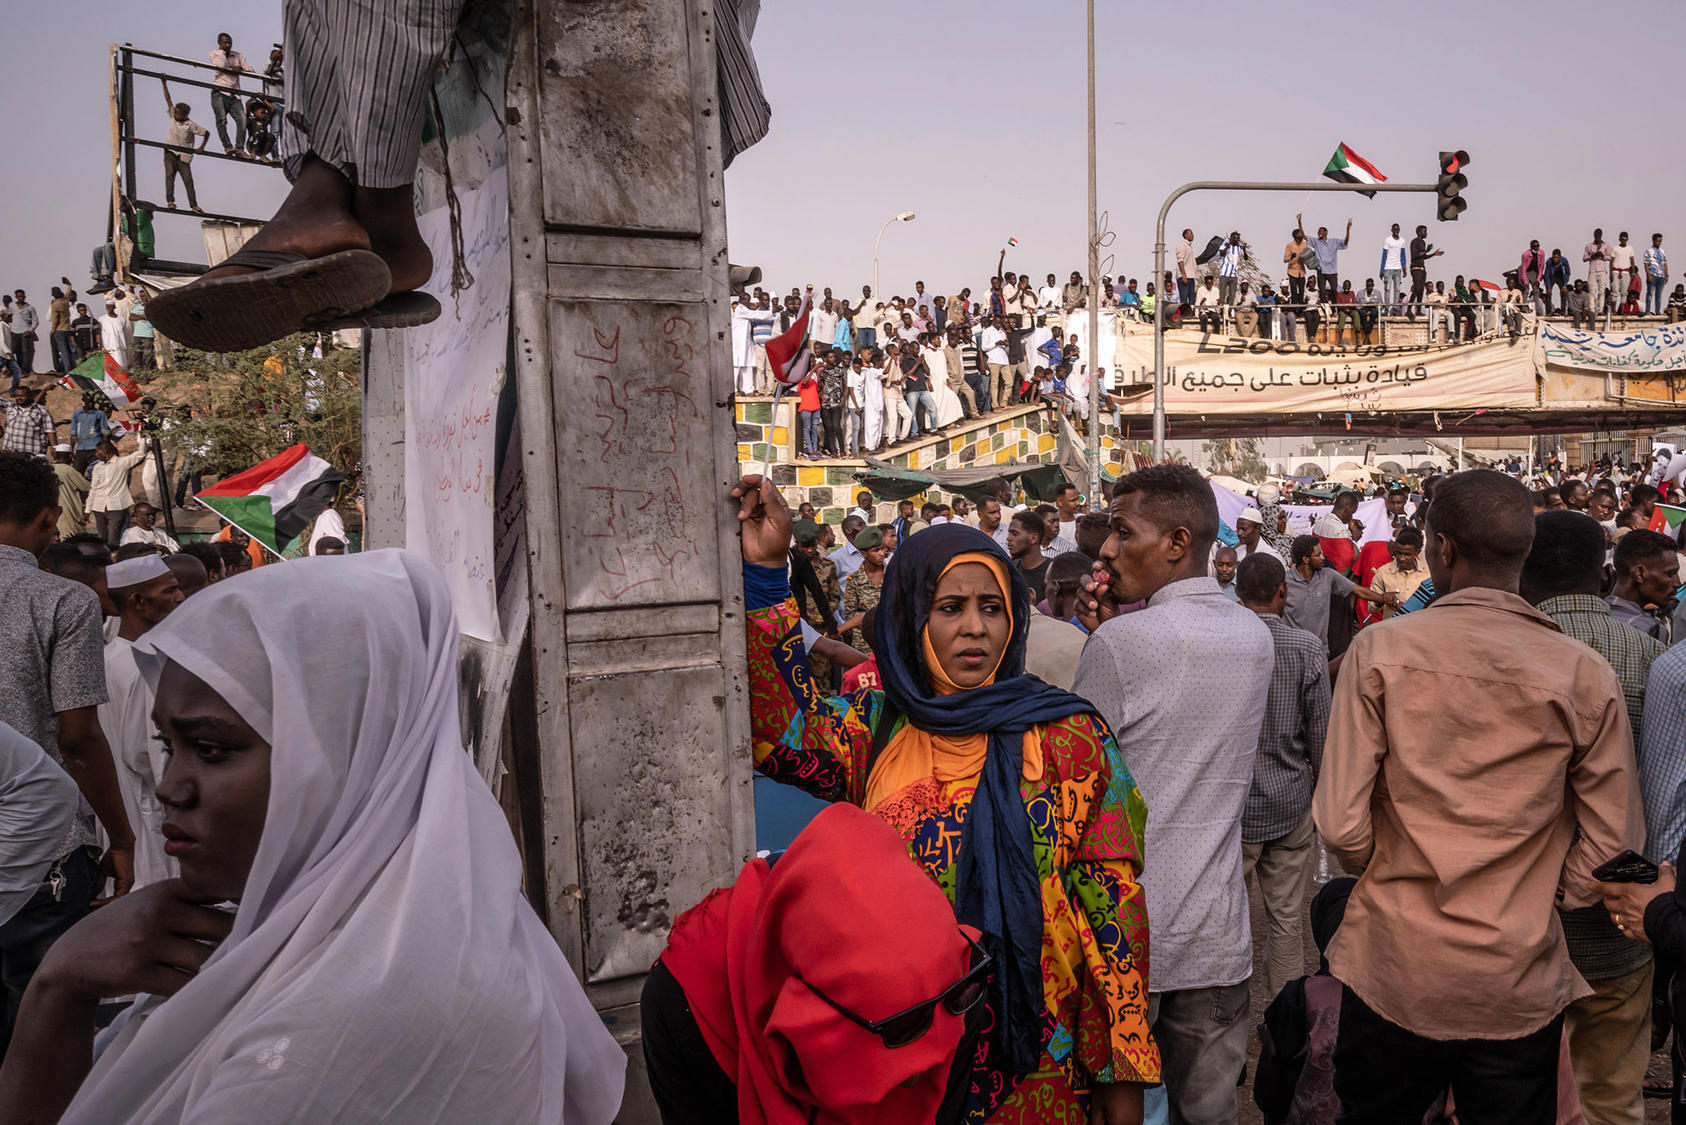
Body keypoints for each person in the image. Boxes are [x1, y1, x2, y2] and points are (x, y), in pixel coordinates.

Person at [0, 551, 627, 1121]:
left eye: (213, 750)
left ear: (344, 760)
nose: (172, 787)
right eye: (171, 747)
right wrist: (62, 988)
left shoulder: (337, 1032)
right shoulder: (328, 933)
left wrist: (54, 996)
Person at [733, 475, 1159, 1123]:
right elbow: (781, 734)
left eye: (992, 607)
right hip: (903, 1054)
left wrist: (1121, 1076)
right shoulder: (874, 727)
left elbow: (1113, 915)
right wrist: (766, 574)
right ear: (912, 616)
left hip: (1041, 1060)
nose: (974, 627)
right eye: (949, 607)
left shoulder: (1069, 737)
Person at [1314, 470, 1642, 1122]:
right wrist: (1546, 893)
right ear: (1521, 554)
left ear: (1443, 550)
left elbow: (1342, 824)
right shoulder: (1582, 672)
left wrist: (1395, 876)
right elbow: (1614, 841)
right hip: (1516, 972)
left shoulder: (1378, 652)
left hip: (1394, 964)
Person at [1068, 464, 1270, 1124]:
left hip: (1127, 938)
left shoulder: (1122, 643)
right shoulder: (1255, 636)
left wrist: (1103, 639)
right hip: (1217, 937)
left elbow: (1077, 779)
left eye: (1124, 531)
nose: (1106, 548)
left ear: (1178, 542)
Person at [643, 803, 987, 1125]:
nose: (917, 1077)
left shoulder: (956, 988)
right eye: (899, 1031)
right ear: (805, 1011)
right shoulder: (686, 1004)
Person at [1519, 510, 1664, 1121]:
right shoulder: (1651, 656)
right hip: (1621, 921)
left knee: (1521, 1094)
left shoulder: (1508, 655)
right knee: (1609, 1097)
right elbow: (1659, 794)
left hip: (1519, 924)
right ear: (1605, 576)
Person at [0, 452, 136, 1058]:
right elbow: (78, 737)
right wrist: (121, 836)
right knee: (45, 1021)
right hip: (42, 848)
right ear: (49, 520)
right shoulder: (61, 600)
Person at [1235, 554, 1330, 999]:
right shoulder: (1307, 648)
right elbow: (1322, 740)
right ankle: (1283, 1024)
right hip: (1290, 803)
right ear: (1282, 591)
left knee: (1225, 919)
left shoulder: (1224, 646)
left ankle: (1224, 1021)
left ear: (1237, 595)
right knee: (1287, 920)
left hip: (1232, 809)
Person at [98, 555, 186, 893]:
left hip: (124, 817)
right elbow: (152, 757)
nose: (180, 598)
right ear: (137, 601)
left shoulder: (108, 657)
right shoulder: (145, 665)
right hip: (152, 822)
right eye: (170, 590)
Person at [1283, 535, 1395, 652]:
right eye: (1318, 555)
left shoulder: (1328, 575)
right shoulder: (1285, 582)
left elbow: (1359, 591)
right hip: (1291, 651)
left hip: (1319, 651)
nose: (1323, 557)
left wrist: (1384, 598)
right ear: (1306, 559)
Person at [1605, 528, 1677, 642]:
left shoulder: (1593, 616)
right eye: (1670, 574)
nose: (1677, 583)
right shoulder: (1650, 629)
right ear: (1640, 574)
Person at [86, 436, 151, 551]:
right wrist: (87, 510)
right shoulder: (97, 467)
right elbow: (93, 489)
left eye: (97, 451)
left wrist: (142, 437)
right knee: (102, 538)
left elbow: (140, 454)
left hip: (116, 506)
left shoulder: (122, 463)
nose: (96, 454)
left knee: (113, 537)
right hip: (99, 507)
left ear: (105, 451)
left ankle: (113, 559)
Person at [158, 79, 209, 214]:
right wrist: (164, 83)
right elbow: (168, 99)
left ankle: (194, 205)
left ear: (185, 115)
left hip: (184, 156)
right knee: (169, 176)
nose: (176, 115)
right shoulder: (173, 117)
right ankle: (170, 201)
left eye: (179, 114)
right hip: (170, 151)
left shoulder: (190, 125)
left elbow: (206, 133)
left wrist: (201, 147)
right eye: (175, 113)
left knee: (188, 180)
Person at [838, 524, 886, 653]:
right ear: (864, 553)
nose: (882, 554)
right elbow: (849, 614)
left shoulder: (893, 574)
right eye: (876, 550)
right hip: (864, 644)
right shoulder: (854, 580)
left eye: (882, 549)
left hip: (890, 638)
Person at [1366, 527, 1427, 620]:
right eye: (1399, 553)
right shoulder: (1383, 572)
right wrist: (1381, 599)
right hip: (1392, 630)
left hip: (1419, 628)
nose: (1402, 558)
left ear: (1417, 552)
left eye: (1407, 554)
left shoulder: (1428, 573)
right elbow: (1371, 608)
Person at [207, 31, 253, 155]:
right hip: (220, 90)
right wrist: (223, 53)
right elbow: (219, 67)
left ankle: (239, 148)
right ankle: (228, 146)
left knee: (242, 120)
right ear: (219, 43)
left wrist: (240, 68)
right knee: (221, 120)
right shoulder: (214, 54)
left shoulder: (237, 55)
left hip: (234, 94)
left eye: (229, 43)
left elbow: (250, 69)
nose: (228, 45)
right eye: (225, 43)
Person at [1299, 214, 1352, 304]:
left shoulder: (1333, 242)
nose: (1319, 233)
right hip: (1321, 270)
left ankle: (1334, 307)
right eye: (1318, 231)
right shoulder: (1316, 241)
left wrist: (1348, 229)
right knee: (1322, 290)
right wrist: (1299, 222)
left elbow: (1345, 242)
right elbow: (1303, 235)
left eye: (1321, 231)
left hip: (1332, 271)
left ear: (1325, 233)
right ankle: (1324, 306)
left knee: (1334, 289)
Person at [1005, 508, 1050, 603]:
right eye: (1009, 533)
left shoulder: (1051, 571)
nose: (1009, 538)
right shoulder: (1012, 568)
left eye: (1015, 534)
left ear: (1033, 538)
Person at [1, 386, 53, 458]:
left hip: (32, 454)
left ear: (30, 396)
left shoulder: (41, 411)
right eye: (17, 396)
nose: (19, 398)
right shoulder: (11, 407)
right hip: (10, 453)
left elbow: (50, 430)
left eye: (22, 396)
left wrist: (55, 447)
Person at [68, 396, 108, 476]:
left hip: (95, 449)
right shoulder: (77, 414)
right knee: (77, 474)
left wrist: (103, 449)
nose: (90, 404)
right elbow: (73, 432)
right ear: (83, 401)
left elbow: (105, 432)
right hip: (80, 449)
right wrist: (71, 450)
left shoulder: (99, 414)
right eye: (88, 401)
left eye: (92, 402)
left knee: (97, 473)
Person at [1379, 223, 1408, 314]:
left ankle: (1395, 308)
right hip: (1388, 267)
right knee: (1387, 288)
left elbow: (1403, 255)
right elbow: (1384, 255)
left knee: (1397, 289)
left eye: (1397, 229)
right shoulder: (1388, 240)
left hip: (1398, 267)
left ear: (1399, 230)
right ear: (1392, 230)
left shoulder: (1402, 241)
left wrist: (1404, 268)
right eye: (1394, 229)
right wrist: (1381, 270)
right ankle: (1387, 308)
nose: (1396, 231)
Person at [1585, 229, 1614, 316]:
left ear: (1601, 235)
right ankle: (1592, 310)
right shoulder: (1589, 245)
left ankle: (1600, 310)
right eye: (1596, 235)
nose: (1597, 237)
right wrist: (1592, 256)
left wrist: (1603, 255)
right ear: (1594, 235)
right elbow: (1584, 258)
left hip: (1602, 271)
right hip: (1592, 271)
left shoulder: (1606, 245)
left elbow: (1610, 257)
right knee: (1592, 291)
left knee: (1602, 291)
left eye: (1599, 235)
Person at [1645, 232, 1670, 317]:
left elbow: (1665, 263)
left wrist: (1666, 274)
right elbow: (1646, 264)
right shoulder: (1648, 251)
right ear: (1653, 241)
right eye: (1657, 241)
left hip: (1661, 276)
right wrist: (1648, 275)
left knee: (1658, 295)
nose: (1659, 243)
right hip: (1652, 275)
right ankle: (1647, 310)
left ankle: (1657, 311)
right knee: (1650, 293)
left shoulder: (1663, 251)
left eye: (1660, 241)